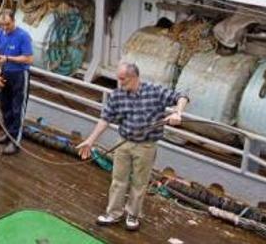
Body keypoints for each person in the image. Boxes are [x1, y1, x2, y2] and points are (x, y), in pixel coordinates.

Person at [75, 62, 188, 232]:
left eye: (124, 80)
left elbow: (182, 96)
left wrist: (178, 112)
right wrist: (90, 140)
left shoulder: (154, 91)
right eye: (118, 79)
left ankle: (133, 215)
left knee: (139, 183)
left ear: (135, 78)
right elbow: (105, 119)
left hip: (146, 146)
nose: (120, 83)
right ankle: (113, 213)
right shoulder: (117, 95)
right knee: (118, 180)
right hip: (124, 142)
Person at [0, 9, 34, 156]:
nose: (5, 28)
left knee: (17, 109)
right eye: (2, 25)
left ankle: (15, 141)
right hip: (5, 74)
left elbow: (29, 59)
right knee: (5, 106)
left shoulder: (23, 36)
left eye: (7, 25)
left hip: (20, 75)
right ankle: (8, 133)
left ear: (14, 21)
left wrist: (8, 58)